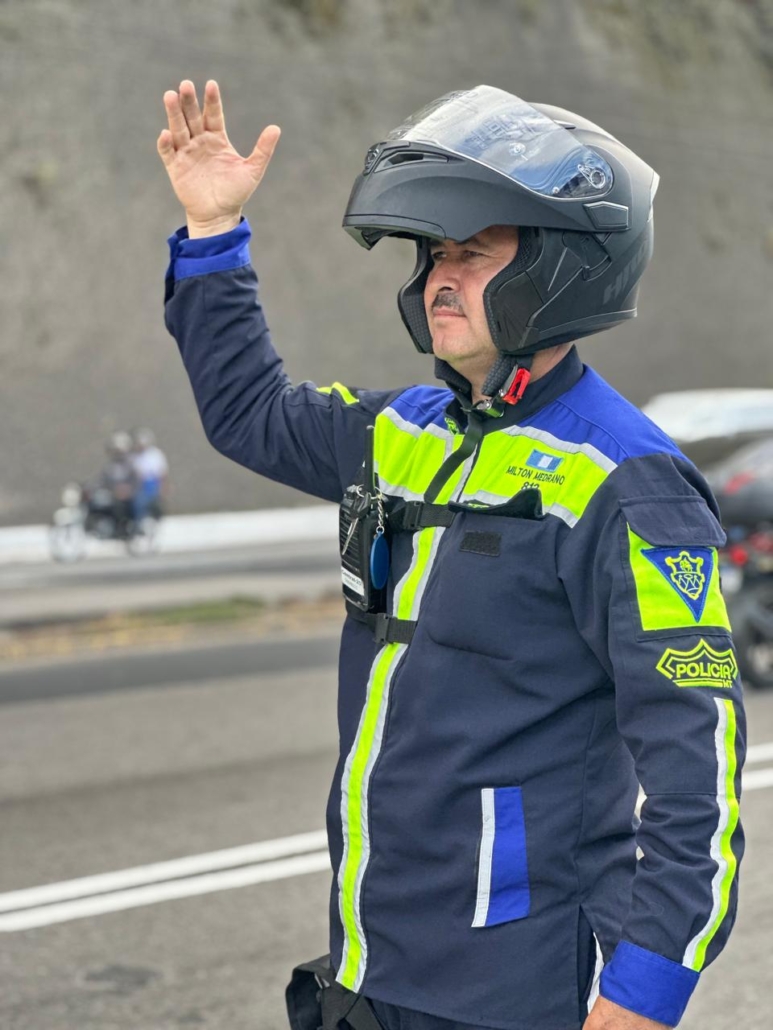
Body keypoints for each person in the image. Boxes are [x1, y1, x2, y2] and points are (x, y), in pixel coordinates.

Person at [158, 81, 745, 1030]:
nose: (439, 276)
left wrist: (645, 990)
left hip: (513, 988)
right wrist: (212, 230)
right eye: (433, 254)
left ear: (560, 268)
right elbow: (247, 412)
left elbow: (696, 757)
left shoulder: (625, 482)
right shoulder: (402, 431)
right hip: (369, 965)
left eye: (472, 253)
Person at [129, 426, 169, 522]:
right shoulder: (134, 456)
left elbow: (162, 473)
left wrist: (163, 487)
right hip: (139, 486)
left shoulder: (155, 454)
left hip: (153, 484)